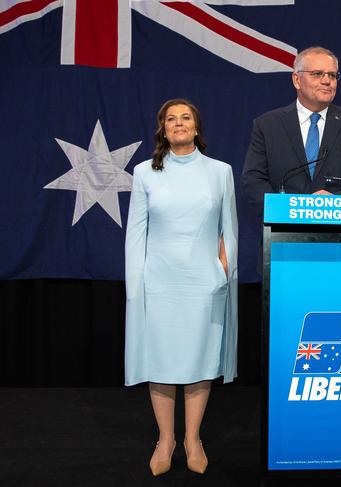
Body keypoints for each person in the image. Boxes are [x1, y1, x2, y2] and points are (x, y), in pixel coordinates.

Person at [124, 98, 238, 476]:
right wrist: (136, 286)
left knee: (199, 360)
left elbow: (229, 231)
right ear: (162, 128)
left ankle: (192, 438)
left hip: (203, 284)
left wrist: (222, 272)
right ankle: (165, 439)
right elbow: (135, 235)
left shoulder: (220, 172)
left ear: (196, 126)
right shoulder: (144, 172)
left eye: (185, 117)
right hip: (158, 283)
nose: (178, 123)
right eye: (171, 119)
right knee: (160, 361)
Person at [241, 46, 341, 215]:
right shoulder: (268, 125)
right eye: (317, 74)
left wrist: (337, 203)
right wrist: (290, 210)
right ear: (296, 80)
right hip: (284, 233)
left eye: (332, 75)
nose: (326, 80)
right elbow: (253, 180)